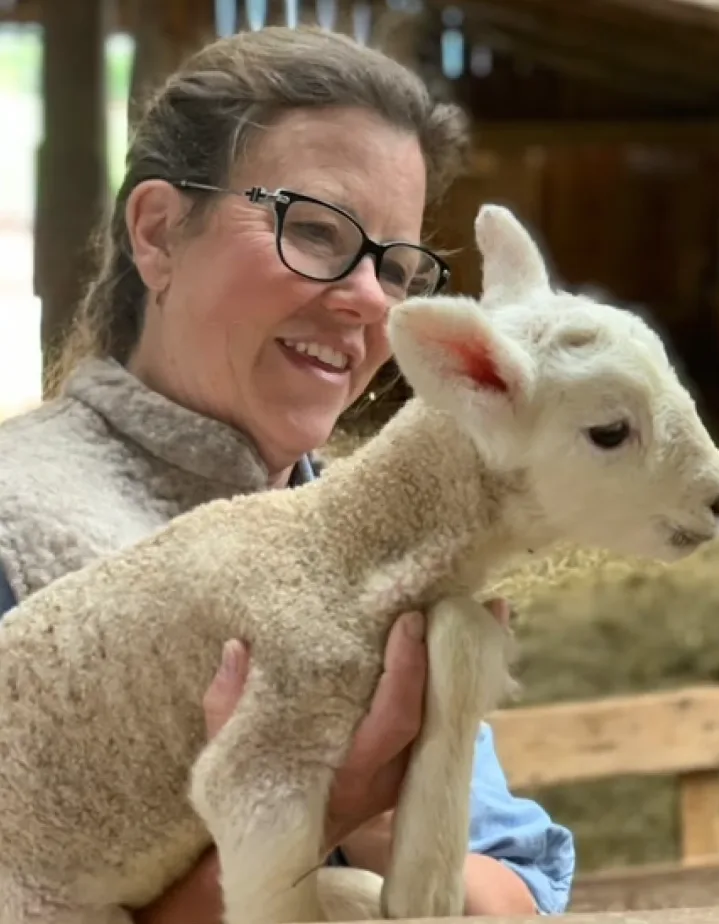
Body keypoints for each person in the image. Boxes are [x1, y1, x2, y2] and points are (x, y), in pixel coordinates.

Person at [0, 24, 575, 923]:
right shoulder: (17, 526)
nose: (370, 301)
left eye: (396, 266)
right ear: (157, 232)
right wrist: (319, 812)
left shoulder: (383, 537)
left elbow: (519, 882)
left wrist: (402, 836)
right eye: (313, 228)